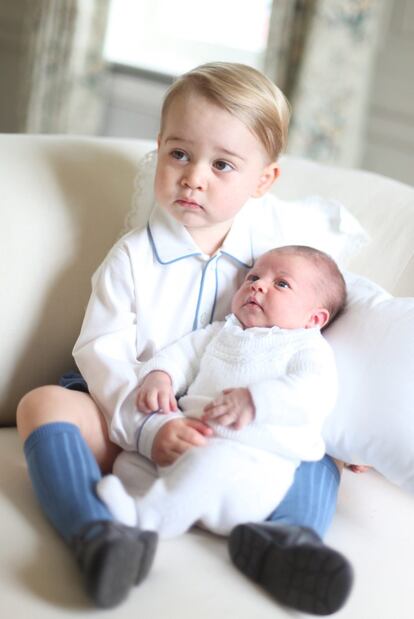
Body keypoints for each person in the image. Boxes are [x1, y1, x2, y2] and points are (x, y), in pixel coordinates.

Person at [16, 62, 352, 614]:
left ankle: (287, 542)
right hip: (130, 414)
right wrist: (151, 427)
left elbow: (328, 322)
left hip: (237, 428)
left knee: (320, 453)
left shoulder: (277, 258)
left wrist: (351, 427)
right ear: (159, 149)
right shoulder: (132, 257)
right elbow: (102, 351)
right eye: (179, 154)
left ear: (263, 181)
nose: (194, 176)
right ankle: (98, 534)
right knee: (43, 404)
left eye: (223, 164)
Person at [97, 244, 346, 549]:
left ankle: (144, 522)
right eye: (253, 277)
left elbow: (313, 393)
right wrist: (159, 376)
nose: (257, 285)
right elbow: (181, 355)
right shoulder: (221, 331)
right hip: (188, 448)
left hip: (247, 469)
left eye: (281, 284)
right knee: (129, 461)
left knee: (210, 463)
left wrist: (256, 401)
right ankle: (157, 501)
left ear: (315, 319)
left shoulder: (307, 348)